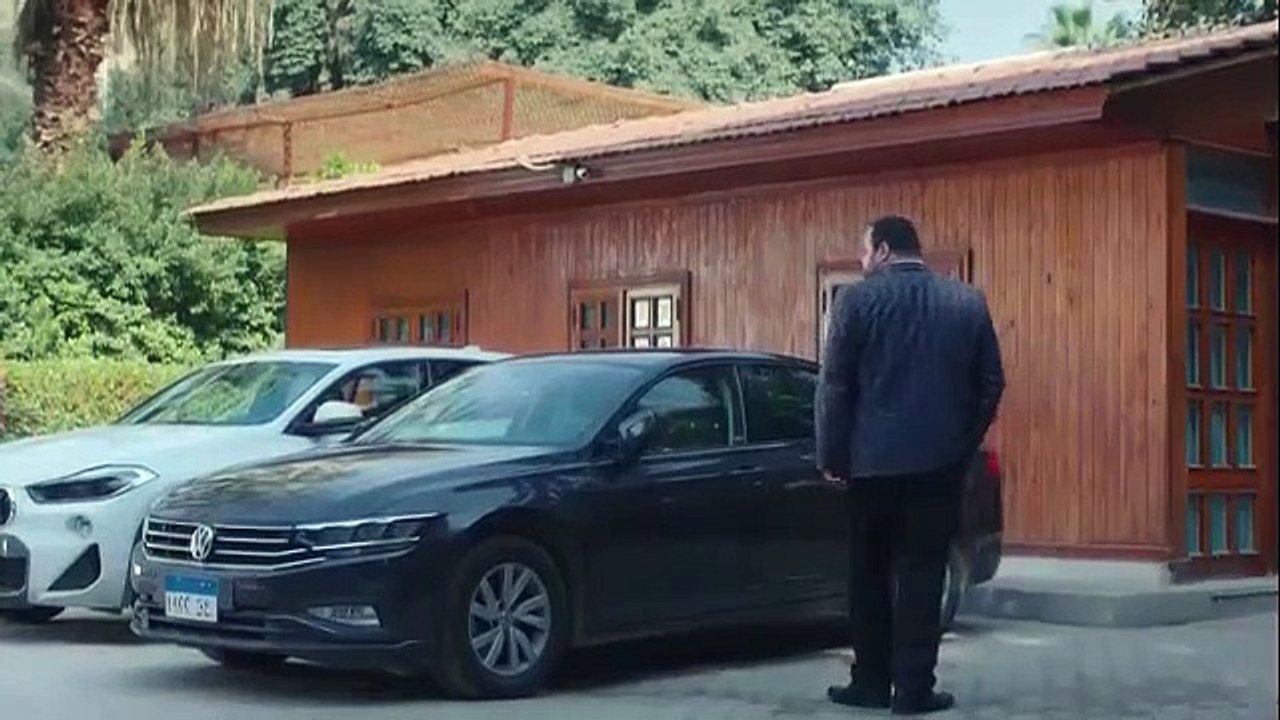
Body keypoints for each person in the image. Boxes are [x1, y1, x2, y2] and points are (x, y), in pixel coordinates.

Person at [815, 215, 1004, 715]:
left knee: (868, 574)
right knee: (923, 573)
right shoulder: (966, 302)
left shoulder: (854, 302)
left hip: (870, 465)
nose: (862, 261)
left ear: (881, 250)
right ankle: (915, 689)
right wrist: (961, 444)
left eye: (864, 252)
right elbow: (991, 383)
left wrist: (833, 455)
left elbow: (835, 386)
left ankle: (870, 681)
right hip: (937, 465)